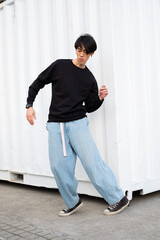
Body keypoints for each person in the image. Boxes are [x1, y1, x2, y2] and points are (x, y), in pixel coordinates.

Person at [26, 34, 129, 216]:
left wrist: (100, 98)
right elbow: (37, 83)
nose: (82, 54)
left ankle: (118, 198)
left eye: (86, 52)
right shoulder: (60, 66)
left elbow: (90, 107)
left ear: (91, 54)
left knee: (92, 163)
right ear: (76, 49)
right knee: (59, 167)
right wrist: (29, 105)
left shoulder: (89, 78)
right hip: (56, 125)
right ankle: (73, 202)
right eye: (79, 50)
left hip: (78, 124)